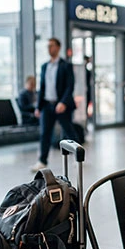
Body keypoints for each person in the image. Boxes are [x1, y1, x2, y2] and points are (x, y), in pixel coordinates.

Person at [31, 37, 77, 172]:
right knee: (44, 133)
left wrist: (63, 102)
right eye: (48, 46)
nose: (49, 48)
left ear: (58, 47)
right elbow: (42, 87)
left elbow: (70, 86)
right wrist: (38, 107)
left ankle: (77, 157)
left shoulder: (66, 66)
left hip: (62, 105)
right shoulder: (45, 66)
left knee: (69, 131)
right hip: (47, 105)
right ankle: (42, 160)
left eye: (51, 45)